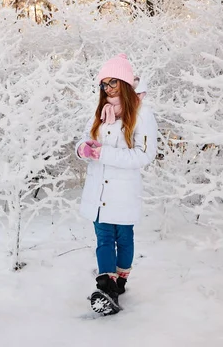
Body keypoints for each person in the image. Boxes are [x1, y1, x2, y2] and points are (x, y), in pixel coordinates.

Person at [75, 53, 157, 315]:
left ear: (124, 82)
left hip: (122, 190)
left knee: (123, 238)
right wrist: (83, 150)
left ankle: (119, 280)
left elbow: (145, 155)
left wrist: (105, 154)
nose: (107, 88)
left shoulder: (142, 114)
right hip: (99, 188)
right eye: (103, 84)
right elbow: (85, 139)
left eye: (112, 83)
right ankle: (105, 286)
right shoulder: (100, 112)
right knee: (103, 238)